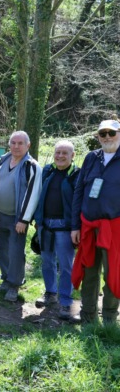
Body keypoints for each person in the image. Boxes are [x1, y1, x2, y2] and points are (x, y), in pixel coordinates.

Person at [0, 131, 42, 302]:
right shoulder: (4, 160)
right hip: (0, 214)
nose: (16, 146)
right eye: (13, 143)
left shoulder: (32, 166)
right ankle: (6, 278)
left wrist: (24, 219)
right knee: (1, 247)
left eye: (20, 143)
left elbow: (33, 194)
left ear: (28, 145)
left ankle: (15, 285)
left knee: (15, 251)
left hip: (18, 218)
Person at [71, 119, 120, 324]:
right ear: (98, 137)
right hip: (88, 225)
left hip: (114, 228)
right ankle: (88, 315)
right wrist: (75, 225)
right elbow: (79, 191)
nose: (107, 137)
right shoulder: (91, 158)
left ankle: (109, 318)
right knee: (89, 270)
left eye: (112, 133)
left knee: (113, 273)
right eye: (103, 134)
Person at [34, 140, 80, 320]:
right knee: (47, 261)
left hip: (65, 227)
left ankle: (66, 301)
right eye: (58, 152)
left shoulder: (76, 175)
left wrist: (76, 227)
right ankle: (50, 293)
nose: (60, 156)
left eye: (64, 153)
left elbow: (79, 203)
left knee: (66, 266)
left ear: (72, 156)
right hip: (45, 225)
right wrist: (37, 220)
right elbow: (38, 195)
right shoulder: (47, 171)